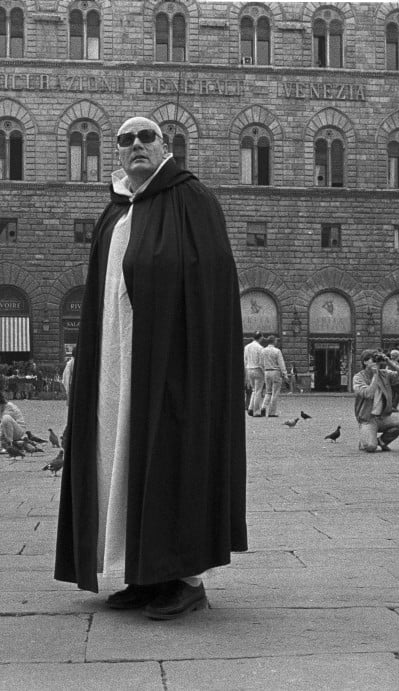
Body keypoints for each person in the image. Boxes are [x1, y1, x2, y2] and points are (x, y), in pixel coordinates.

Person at [55, 116, 247, 620]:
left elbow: (210, 285)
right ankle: (141, 572)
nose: (136, 145)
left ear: (165, 146)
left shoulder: (192, 199)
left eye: (146, 137)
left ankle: (184, 579)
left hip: (170, 362)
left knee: (168, 456)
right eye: (125, 140)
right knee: (116, 457)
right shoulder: (116, 212)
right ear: (116, 152)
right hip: (117, 363)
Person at [353, 349, 399, 453]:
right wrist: (375, 375)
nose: (376, 362)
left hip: (383, 417)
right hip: (367, 418)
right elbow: (368, 394)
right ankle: (366, 441)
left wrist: (390, 362)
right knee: (370, 447)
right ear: (365, 362)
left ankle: (382, 441)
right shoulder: (358, 378)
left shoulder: (385, 374)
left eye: (377, 360)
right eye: (373, 359)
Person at [259, 335, 286, 417]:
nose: (276, 342)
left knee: (268, 392)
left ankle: (263, 407)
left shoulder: (263, 351)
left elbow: (260, 364)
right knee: (275, 393)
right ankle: (271, 412)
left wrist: (264, 371)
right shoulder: (277, 351)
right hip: (275, 372)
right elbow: (281, 363)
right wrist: (285, 373)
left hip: (267, 372)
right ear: (274, 341)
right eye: (276, 341)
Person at [244, 331, 265, 416]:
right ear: (260, 338)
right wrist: (264, 372)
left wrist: (246, 373)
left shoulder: (247, 347)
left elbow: (245, 360)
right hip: (258, 370)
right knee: (258, 391)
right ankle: (256, 411)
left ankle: (250, 408)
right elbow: (261, 362)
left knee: (253, 390)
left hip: (249, 369)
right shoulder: (260, 348)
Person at [388, 349, 399, 413]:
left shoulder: (389, 362)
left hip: (390, 380)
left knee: (393, 393)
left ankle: (390, 406)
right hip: (395, 380)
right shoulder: (395, 363)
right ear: (397, 357)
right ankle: (394, 406)